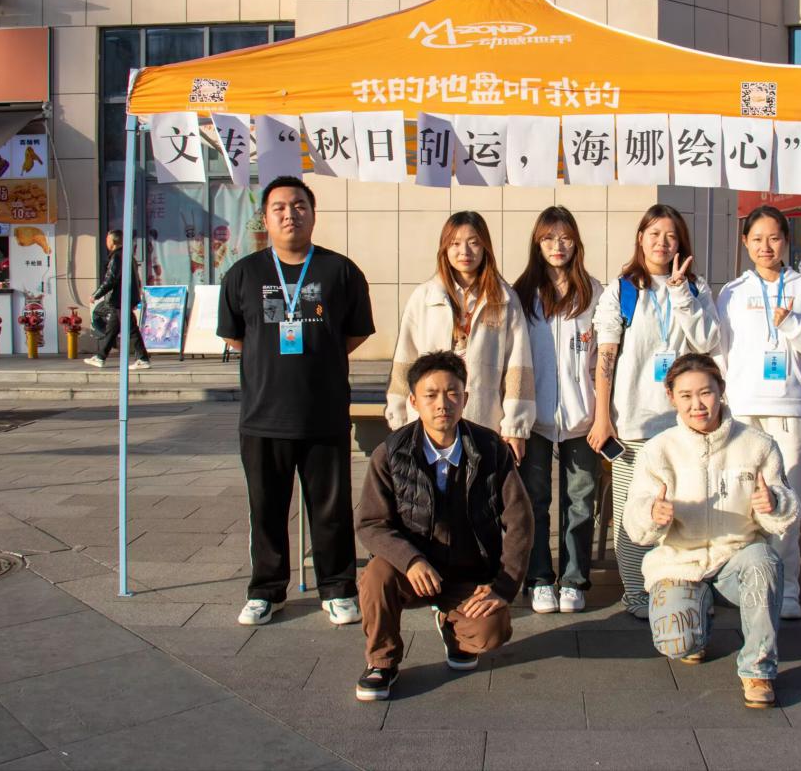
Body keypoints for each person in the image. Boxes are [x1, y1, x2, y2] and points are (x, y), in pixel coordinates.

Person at [217, 175, 375, 628]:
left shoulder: (340, 271)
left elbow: (355, 333)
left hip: (323, 412)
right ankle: (266, 591)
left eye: (300, 205)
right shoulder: (243, 274)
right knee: (266, 509)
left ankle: (338, 588)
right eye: (280, 207)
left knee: (331, 509)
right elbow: (235, 337)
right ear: (266, 218)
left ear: (313, 213)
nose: (291, 214)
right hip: (263, 416)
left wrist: (318, 354)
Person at [355, 351, 533, 702]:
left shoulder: (490, 449)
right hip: (412, 572)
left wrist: (502, 588)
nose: (442, 404)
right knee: (376, 576)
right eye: (431, 394)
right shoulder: (390, 453)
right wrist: (410, 560)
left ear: (464, 398)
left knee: (491, 630)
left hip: (469, 571)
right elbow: (371, 523)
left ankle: (454, 629)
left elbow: (520, 521)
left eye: (452, 393)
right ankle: (381, 661)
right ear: (413, 401)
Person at [624, 354, 799, 709]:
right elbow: (636, 522)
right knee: (678, 643)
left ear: (721, 390)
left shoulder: (758, 444)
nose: (697, 404)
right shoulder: (658, 449)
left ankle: (758, 669)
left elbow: (782, 509)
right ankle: (697, 623)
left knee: (765, 562)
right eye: (686, 395)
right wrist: (653, 513)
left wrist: (773, 503)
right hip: (680, 561)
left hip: (738, 555)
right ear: (671, 397)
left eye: (705, 392)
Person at [588, 204, 721, 619]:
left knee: (689, 511)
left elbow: (708, 342)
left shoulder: (696, 288)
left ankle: (685, 588)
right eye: (654, 234)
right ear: (640, 238)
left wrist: (681, 293)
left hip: (687, 424)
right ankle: (636, 594)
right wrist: (602, 417)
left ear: (681, 242)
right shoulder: (623, 289)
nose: (662, 243)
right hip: (633, 422)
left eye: (671, 235)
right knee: (634, 513)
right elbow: (606, 355)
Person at [717, 206, 801, 621]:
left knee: (786, 503)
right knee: (742, 503)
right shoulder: (732, 292)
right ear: (745, 243)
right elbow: (721, 352)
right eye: (757, 239)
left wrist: (793, 326)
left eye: (773, 238)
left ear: (786, 240)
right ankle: (746, 584)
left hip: (789, 410)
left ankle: (786, 588)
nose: (765, 246)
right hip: (742, 411)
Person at [512, 206, 604, 614]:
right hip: (533, 417)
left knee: (580, 500)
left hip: (583, 417)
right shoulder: (521, 293)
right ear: (537, 243)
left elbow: (604, 355)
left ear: (576, 242)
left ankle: (573, 579)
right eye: (549, 238)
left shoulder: (594, 292)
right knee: (534, 500)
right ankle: (538, 579)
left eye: (565, 238)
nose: (557, 246)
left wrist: (602, 412)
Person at [386, 211, 534, 465]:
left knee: (480, 486)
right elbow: (405, 361)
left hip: (484, 420)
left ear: (485, 247)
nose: (464, 251)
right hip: (429, 422)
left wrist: (515, 426)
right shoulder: (424, 297)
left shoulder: (504, 299)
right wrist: (399, 414)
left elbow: (517, 367)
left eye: (474, 242)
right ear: (444, 248)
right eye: (455, 243)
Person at [86, 229, 151, 370]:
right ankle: (100, 357)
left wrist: (96, 295)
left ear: (112, 241)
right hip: (123, 299)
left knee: (131, 329)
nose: (106, 242)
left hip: (120, 299)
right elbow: (136, 280)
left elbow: (110, 279)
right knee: (112, 329)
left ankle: (142, 359)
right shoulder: (128, 256)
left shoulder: (117, 257)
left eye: (107, 239)